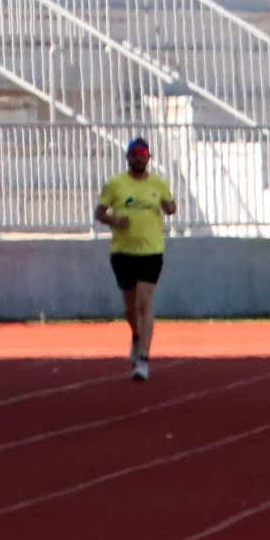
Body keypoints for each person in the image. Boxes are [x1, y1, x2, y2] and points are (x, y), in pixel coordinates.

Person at [95, 138, 176, 381]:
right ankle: (136, 336)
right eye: (135, 154)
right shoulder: (116, 184)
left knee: (144, 302)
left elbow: (170, 206)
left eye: (143, 153)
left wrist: (170, 206)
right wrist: (115, 221)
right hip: (123, 252)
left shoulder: (158, 183)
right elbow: (99, 213)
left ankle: (143, 359)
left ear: (149, 158)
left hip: (151, 251)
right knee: (131, 308)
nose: (139, 158)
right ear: (128, 157)